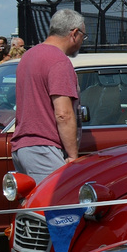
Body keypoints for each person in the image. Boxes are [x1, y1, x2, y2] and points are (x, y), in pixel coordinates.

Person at [11, 10, 87, 182]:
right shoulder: (59, 61)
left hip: (21, 147)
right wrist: (73, 157)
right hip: (44, 150)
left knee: (34, 207)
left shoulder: (28, 56)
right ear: (74, 33)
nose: (83, 41)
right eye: (84, 35)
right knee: (58, 205)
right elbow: (63, 114)